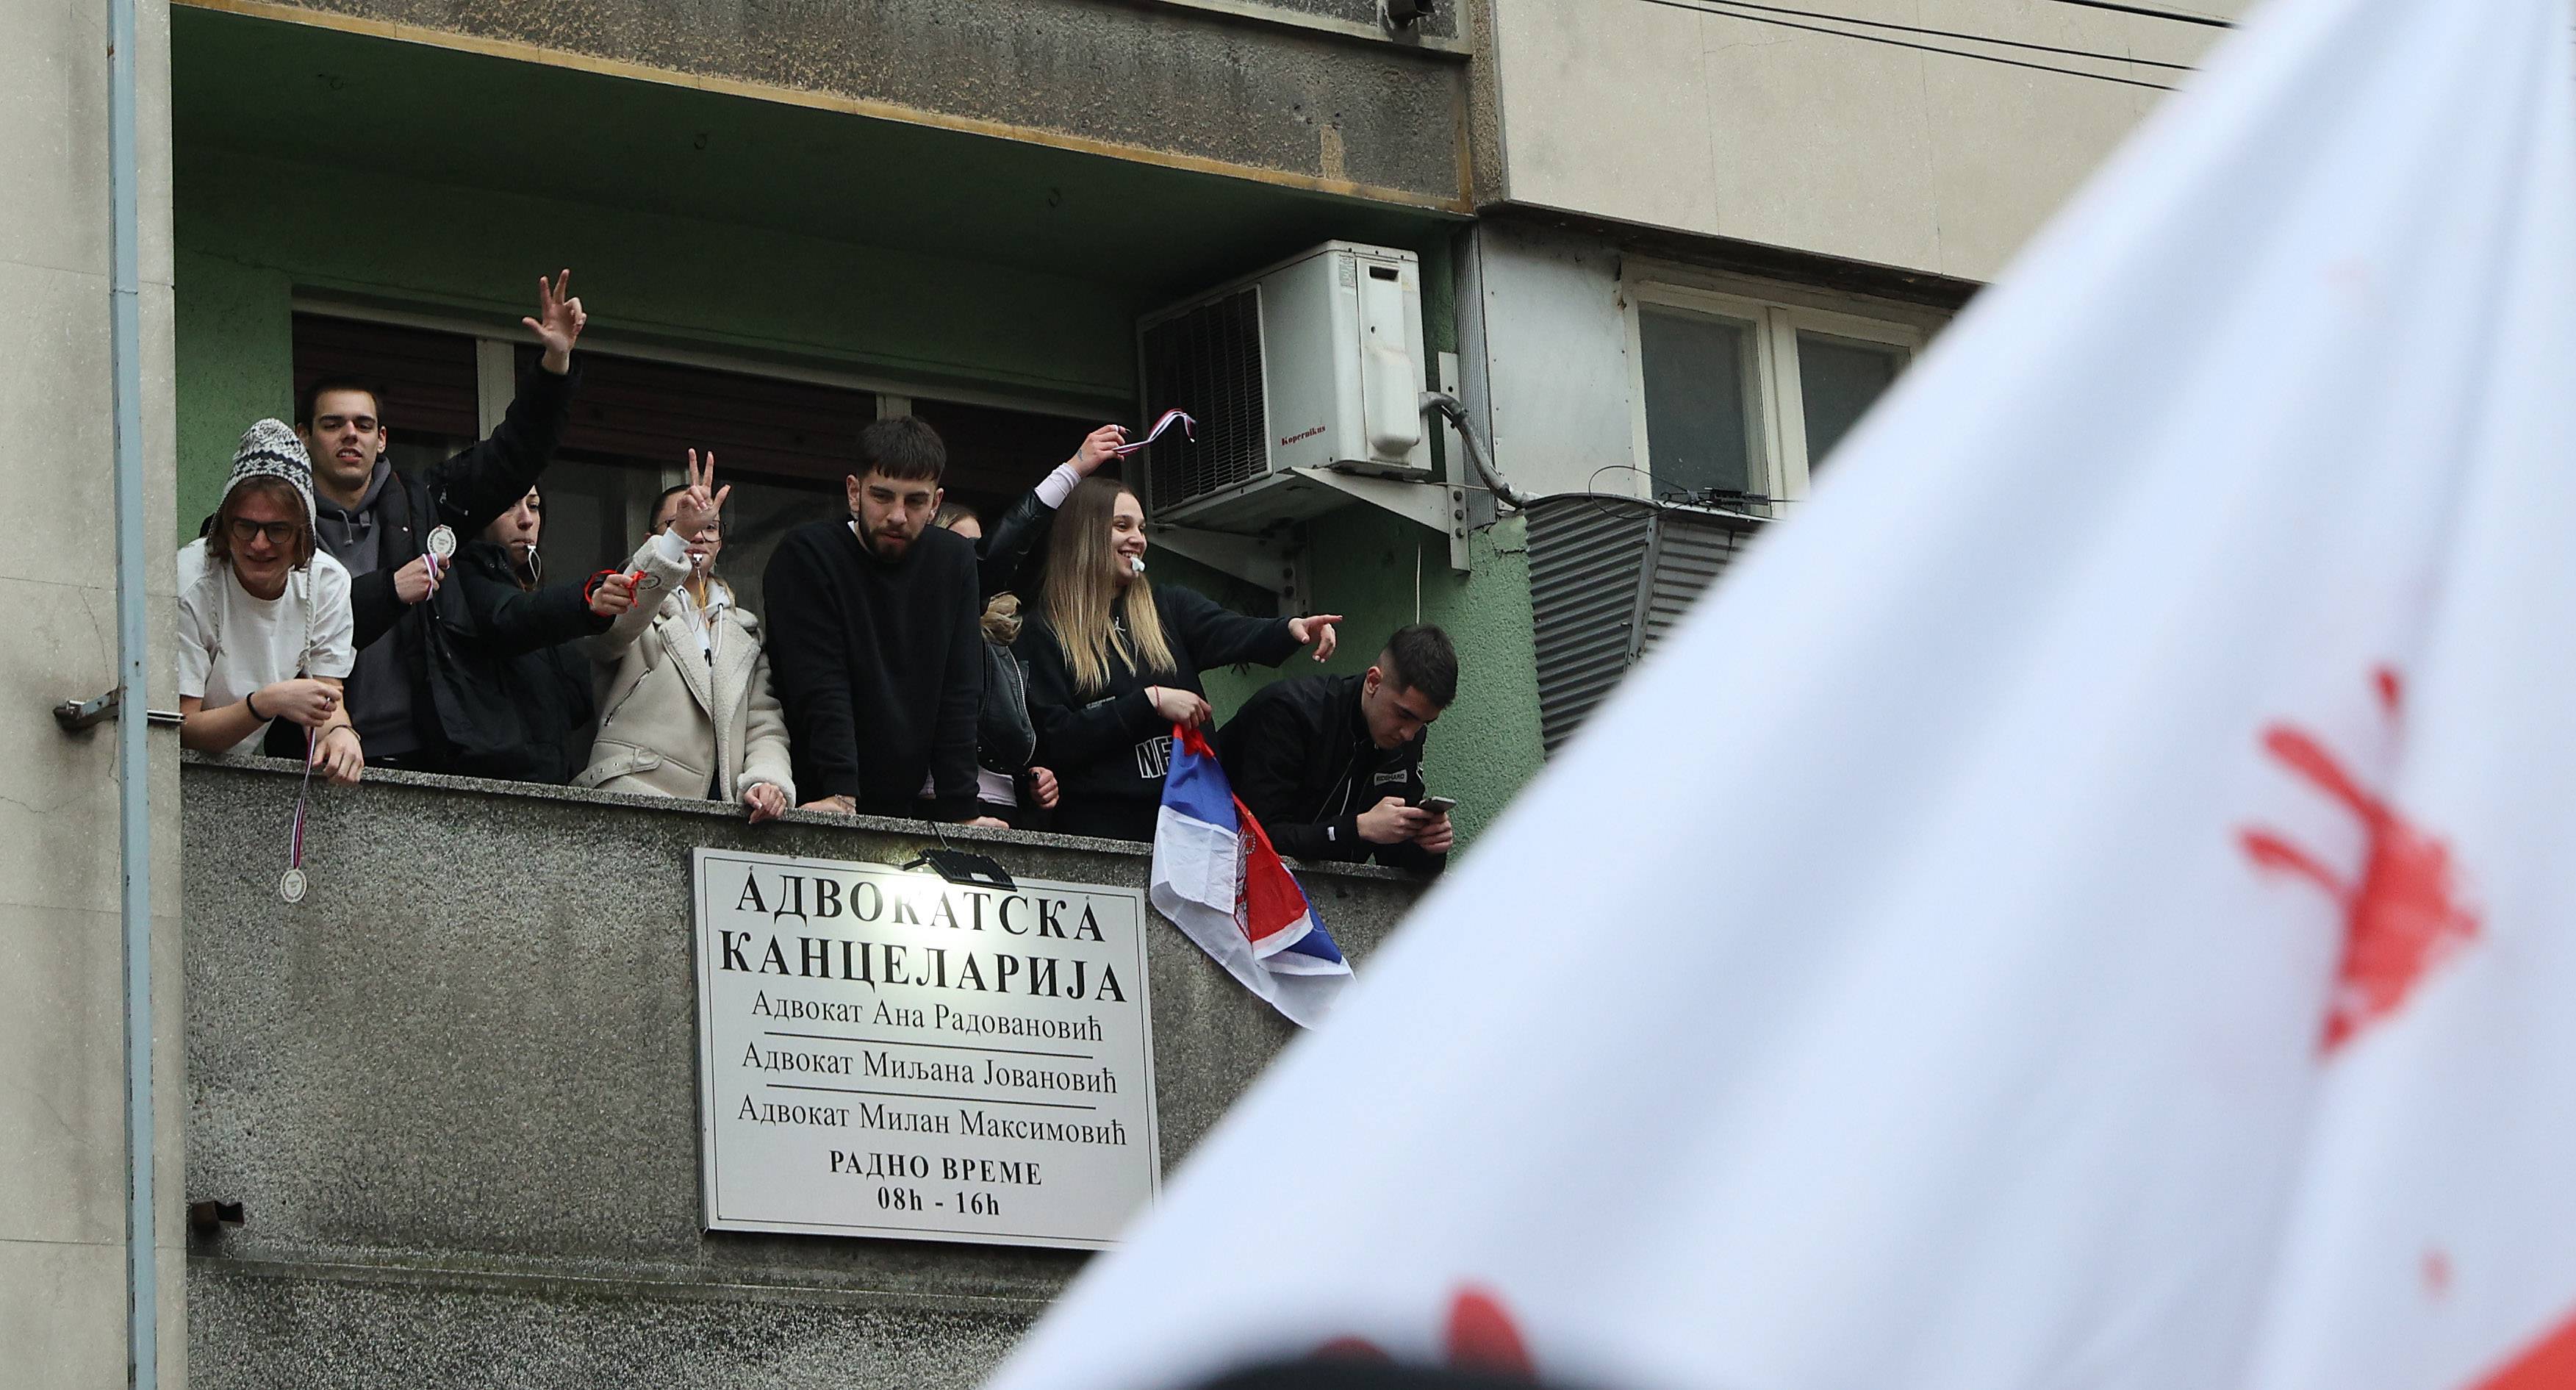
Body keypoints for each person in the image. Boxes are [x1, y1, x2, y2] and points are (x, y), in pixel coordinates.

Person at [295, 270, 587, 772]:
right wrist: (390, 588)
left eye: (363, 425)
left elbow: (510, 457)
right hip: (313, 755)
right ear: (304, 436)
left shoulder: (423, 503)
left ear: (382, 438)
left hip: (425, 755)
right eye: (333, 424)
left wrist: (554, 364)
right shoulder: (280, 526)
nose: (350, 435)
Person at [1017, 476, 1342, 842]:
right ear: (1083, 535)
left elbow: (1235, 632)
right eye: (1121, 526)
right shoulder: (1044, 631)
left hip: (1193, 832)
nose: (1138, 539)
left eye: (1141, 528)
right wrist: (1150, 702)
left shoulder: (1168, 607)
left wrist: (1291, 629)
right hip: (1103, 835)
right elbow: (1057, 738)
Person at [762, 415, 986, 821]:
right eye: (882, 496)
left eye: (915, 501)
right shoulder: (808, 555)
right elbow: (819, 682)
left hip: (905, 799)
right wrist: (840, 790)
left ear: (936, 503)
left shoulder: (954, 561)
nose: (897, 515)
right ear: (854, 492)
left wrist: (963, 811)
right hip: (811, 795)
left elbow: (960, 689)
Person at [578, 451, 794, 822]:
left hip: (722, 812)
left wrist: (767, 781)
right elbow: (612, 634)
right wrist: (674, 542)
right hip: (632, 792)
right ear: (653, 539)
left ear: (720, 543)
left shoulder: (743, 627)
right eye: (681, 523)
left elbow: (764, 722)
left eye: (710, 527)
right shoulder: (629, 595)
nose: (698, 533)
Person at [177, 420, 364, 784]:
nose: (259, 544)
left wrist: (341, 734)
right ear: (224, 525)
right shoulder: (190, 584)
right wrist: (266, 703)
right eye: (246, 526)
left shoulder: (326, 583)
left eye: (277, 530)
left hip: (237, 773)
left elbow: (328, 701)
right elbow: (181, 727)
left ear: (303, 535)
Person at [1216, 623, 1458, 871]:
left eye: (1424, 722)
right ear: (1374, 681)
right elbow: (1261, 840)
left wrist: (1428, 845)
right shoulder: (1289, 713)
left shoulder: (1408, 737)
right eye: (1404, 715)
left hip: (1331, 897)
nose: (1409, 734)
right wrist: (1357, 828)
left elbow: (1395, 863)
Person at [444, 485, 636, 784]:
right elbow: (512, 617)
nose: (526, 520)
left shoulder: (529, 592)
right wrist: (588, 601)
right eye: (509, 506)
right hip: (491, 785)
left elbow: (577, 697)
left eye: (533, 506)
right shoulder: (462, 579)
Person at [933, 505, 1058, 828]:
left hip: (1005, 806)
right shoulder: (925, 626)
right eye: (961, 548)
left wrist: (1038, 777)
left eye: (981, 547)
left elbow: (1026, 726)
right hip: (935, 802)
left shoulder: (1009, 635)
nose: (973, 561)